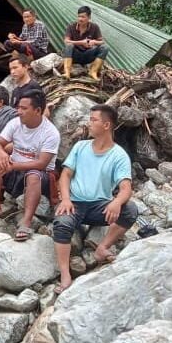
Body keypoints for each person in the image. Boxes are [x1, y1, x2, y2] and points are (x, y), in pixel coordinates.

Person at [52, 105, 135, 293]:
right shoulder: (80, 147)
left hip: (100, 206)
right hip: (75, 203)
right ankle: (65, 275)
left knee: (130, 210)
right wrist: (65, 199)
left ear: (106, 125)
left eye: (93, 120)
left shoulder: (119, 155)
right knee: (62, 223)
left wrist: (116, 202)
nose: (89, 123)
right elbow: (65, 175)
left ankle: (102, 247)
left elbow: (125, 188)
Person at [0, 91, 60, 242]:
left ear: (37, 110)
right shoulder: (15, 123)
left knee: (33, 175)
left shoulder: (51, 133)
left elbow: (42, 164)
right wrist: (2, 154)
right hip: (15, 167)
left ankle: (26, 222)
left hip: (39, 175)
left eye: (24, 108)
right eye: (18, 107)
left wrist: (13, 166)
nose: (19, 112)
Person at [62, 5, 109, 82]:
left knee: (105, 48)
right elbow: (66, 41)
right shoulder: (71, 26)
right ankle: (67, 73)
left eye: (83, 17)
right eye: (79, 16)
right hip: (75, 56)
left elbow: (102, 41)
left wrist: (94, 42)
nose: (80, 19)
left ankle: (93, 72)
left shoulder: (94, 27)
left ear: (89, 17)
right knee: (69, 46)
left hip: (88, 55)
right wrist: (81, 42)